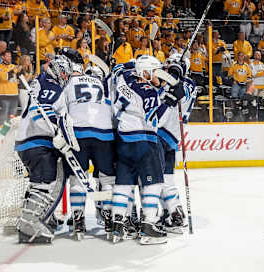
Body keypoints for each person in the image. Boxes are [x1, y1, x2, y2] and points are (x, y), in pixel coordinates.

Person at [110, 55, 186, 245]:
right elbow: (154, 120)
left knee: (124, 183)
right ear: (144, 73)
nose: (158, 75)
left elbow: (119, 68)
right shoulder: (147, 91)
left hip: (123, 139)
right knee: (154, 183)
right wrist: (170, 101)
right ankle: (149, 226)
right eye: (155, 72)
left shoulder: (124, 78)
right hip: (144, 139)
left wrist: (133, 64)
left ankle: (117, 226)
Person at [15, 55, 73, 243]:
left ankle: (32, 218)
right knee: (44, 180)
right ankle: (28, 226)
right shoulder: (50, 84)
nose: (66, 76)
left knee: (38, 182)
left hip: (28, 140)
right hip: (37, 140)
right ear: (57, 70)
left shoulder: (41, 80)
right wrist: (57, 131)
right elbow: (41, 112)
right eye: (64, 72)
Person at [58, 51, 115, 241]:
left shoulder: (68, 84)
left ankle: (78, 220)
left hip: (79, 134)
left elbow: (61, 111)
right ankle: (108, 218)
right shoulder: (100, 84)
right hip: (104, 134)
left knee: (77, 179)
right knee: (107, 179)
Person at [157, 53, 197, 234]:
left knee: (157, 179)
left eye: (170, 65)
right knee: (167, 178)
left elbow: (172, 94)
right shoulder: (186, 83)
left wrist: (174, 73)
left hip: (162, 132)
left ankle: (172, 213)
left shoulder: (181, 82)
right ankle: (173, 213)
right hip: (172, 135)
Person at [0, 51, 20, 121]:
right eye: (7, 56)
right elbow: (4, 78)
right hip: (4, 93)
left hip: (14, 93)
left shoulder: (13, 66)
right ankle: (3, 129)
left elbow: (17, 79)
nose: (9, 58)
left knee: (13, 114)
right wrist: (14, 70)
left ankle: (10, 129)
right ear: (3, 57)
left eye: (10, 56)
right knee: (4, 112)